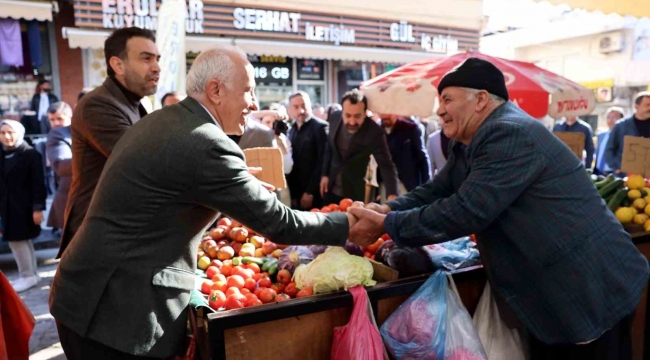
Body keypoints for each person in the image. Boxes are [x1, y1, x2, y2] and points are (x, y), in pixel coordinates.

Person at [49, 46, 355, 360]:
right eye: (248, 91)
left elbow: (172, 187)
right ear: (215, 90)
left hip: (88, 296)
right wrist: (350, 223)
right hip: (115, 315)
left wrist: (228, 182)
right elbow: (279, 224)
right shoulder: (206, 141)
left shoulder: (167, 120)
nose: (253, 103)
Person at [347, 57, 649, 360]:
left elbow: (466, 211)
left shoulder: (508, 132)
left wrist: (386, 225)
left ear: (480, 100)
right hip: (558, 292)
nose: (439, 110)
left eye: (448, 99)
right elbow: (438, 189)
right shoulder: (468, 140)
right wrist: (386, 209)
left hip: (587, 286)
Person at [57, 27, 160, 258]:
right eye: (146, 59)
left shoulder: (135, 103)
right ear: (118, 65)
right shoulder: (98, 105)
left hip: (121, 231)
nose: (156, 67)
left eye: (157, 59)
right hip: (97, 237)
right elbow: (142, 163)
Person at [321, 90, 399, 204]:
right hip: (331, 187)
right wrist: (324, 174)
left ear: (365, 113)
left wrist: (392, 194)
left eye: (357, 116)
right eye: (348, 115)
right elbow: (329, 147)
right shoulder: (334, 118)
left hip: (357, 193)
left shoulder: (375, 132)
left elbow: (386, 164)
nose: (352, 122)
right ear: (342, 112)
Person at [0, 120, 47, 293]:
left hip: (24, 206)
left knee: (18, 239)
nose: (6, 136)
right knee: (19, 240)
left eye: (10, 132)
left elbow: (38, 183)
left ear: (19, 133)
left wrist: (37, 208)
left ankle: (27, 275)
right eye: (3, 133)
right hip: (7, 206)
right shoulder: (2, 154)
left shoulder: (30, 154)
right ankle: (32, 274)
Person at [287, 91, 328, 210]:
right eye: (296, 107)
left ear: (310, 106)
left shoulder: (320, 128)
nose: (301, 110)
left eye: (304, 106)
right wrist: (293, 194)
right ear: (290, 110)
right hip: (295, 193)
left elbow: (322, 162)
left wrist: (310, 192)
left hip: (314, 193)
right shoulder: (291, 130)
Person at [379, 113, 430, 192]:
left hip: (408, 185)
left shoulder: (411, 128)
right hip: (384, 184)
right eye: (382, 112)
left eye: (388, 112)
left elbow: (422, 158)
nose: (385, 116)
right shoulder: (377, 131)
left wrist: (426, 186)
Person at [606, 92, 650, 175]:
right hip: (624, 177)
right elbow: (609, 149)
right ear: (636, 106)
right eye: (647, 105)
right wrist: (616, 168)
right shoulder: (621, 126)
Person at [45, 102, 73, 234]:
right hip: (69, 201)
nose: (56, 123)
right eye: (52, 119)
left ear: (70, 116)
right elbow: (61, 165)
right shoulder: (56, 135)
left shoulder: (80, 132)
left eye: (60, 118)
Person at [594, 107, 625, 175]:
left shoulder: (624, 137)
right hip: (599, 172)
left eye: (614, 117)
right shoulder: (601, 135)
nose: (610, 120)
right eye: (608, 117)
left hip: (614, 173)